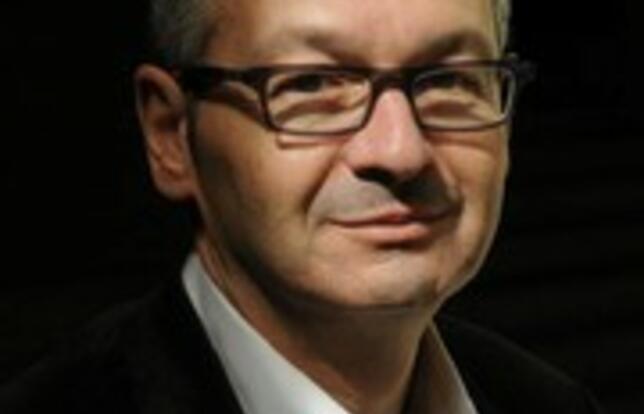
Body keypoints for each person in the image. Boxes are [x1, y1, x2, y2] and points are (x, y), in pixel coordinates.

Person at [1, 0, 602, 413]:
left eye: (449, 80)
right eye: (311, 84)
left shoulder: (549, 403)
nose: (400, 151)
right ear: (172, 134)